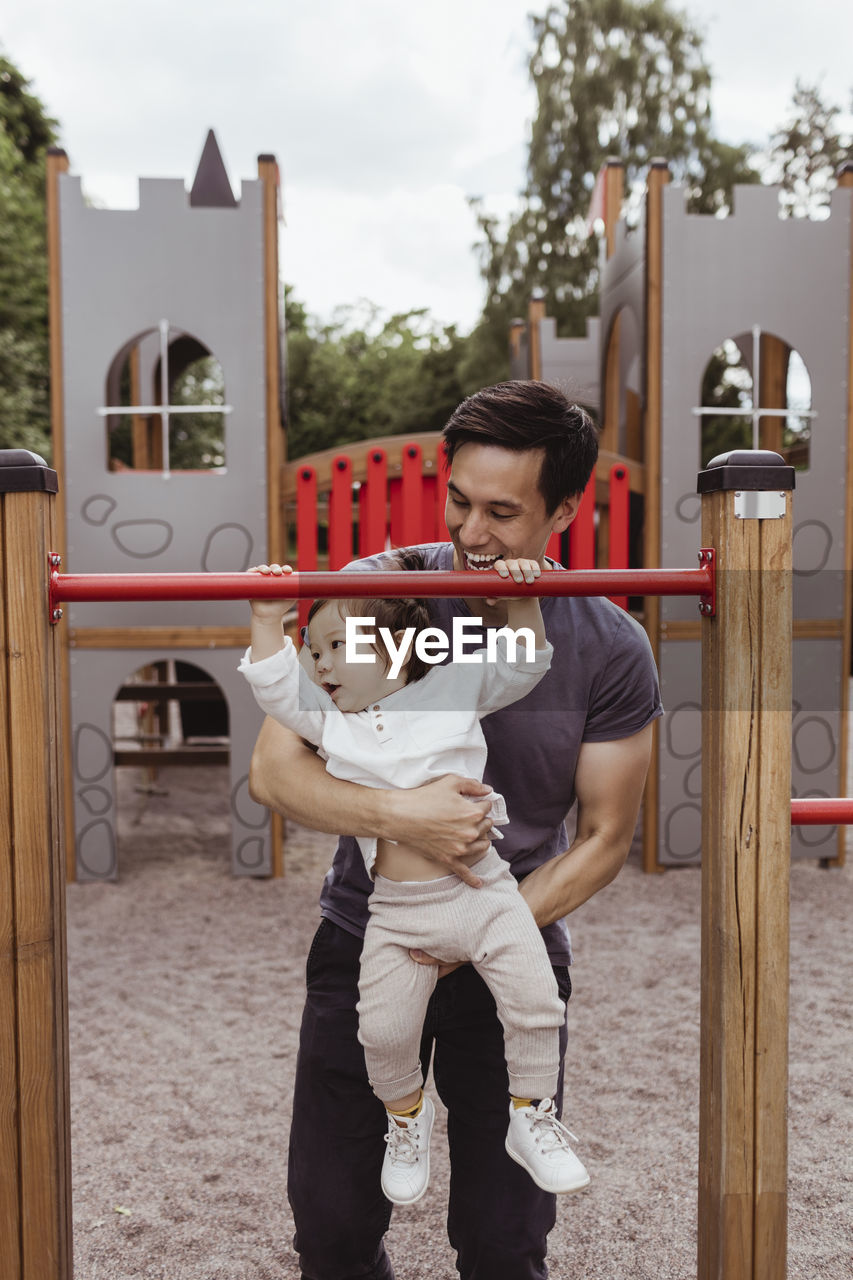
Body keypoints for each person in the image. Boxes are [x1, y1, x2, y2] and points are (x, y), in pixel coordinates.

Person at [249, 380, 662, 1280]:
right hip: (370, 929)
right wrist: (401, 820)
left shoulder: (610, 646)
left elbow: (602, 838)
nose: (473, 534)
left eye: (503, 513)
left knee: (504, 1242)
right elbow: (275, 771)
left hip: (509, 930)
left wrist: (471, 932)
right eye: (460, 502)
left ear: (564, 507)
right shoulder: (371, 597)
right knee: (329, 1225)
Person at [240, 552, 590, 1207]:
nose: (321, 665)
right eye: (314, 652)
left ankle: (531, 1118)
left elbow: (523, 663)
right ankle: (407, 1119)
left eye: (337, 646)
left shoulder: (452, 686)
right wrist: (266, 617)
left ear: (400, 649)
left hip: (484, 894)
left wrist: (521, 599)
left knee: (535, 1003)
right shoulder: (330, 720)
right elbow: (277, 689)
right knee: (382, 1032)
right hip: (397, 912)